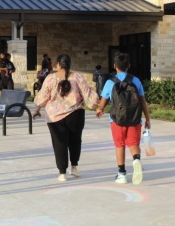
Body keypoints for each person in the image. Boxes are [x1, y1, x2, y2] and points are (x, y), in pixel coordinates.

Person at [33, 54, 99, 182]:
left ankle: (62, 173)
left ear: (58, 65)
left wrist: (37, 109)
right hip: (75, 115)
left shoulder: (50, 78)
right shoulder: (78, 77)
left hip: (54, 117)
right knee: (75, 141)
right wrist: (98, 106)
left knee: (59, 144)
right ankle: (74, 167)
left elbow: (43, 97)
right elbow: (89, 95)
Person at [96, 53, 151, 185]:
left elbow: (103, 102)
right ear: (129, 66)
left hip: (116, 120)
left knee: (119, 145)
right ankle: (136, 159)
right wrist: (147, 118)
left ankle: (122, 174)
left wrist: (100, 109)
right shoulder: (136, 81)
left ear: (115, 66)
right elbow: (142, 101)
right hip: (134, 118)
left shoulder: (110, 82)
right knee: (133, 143)